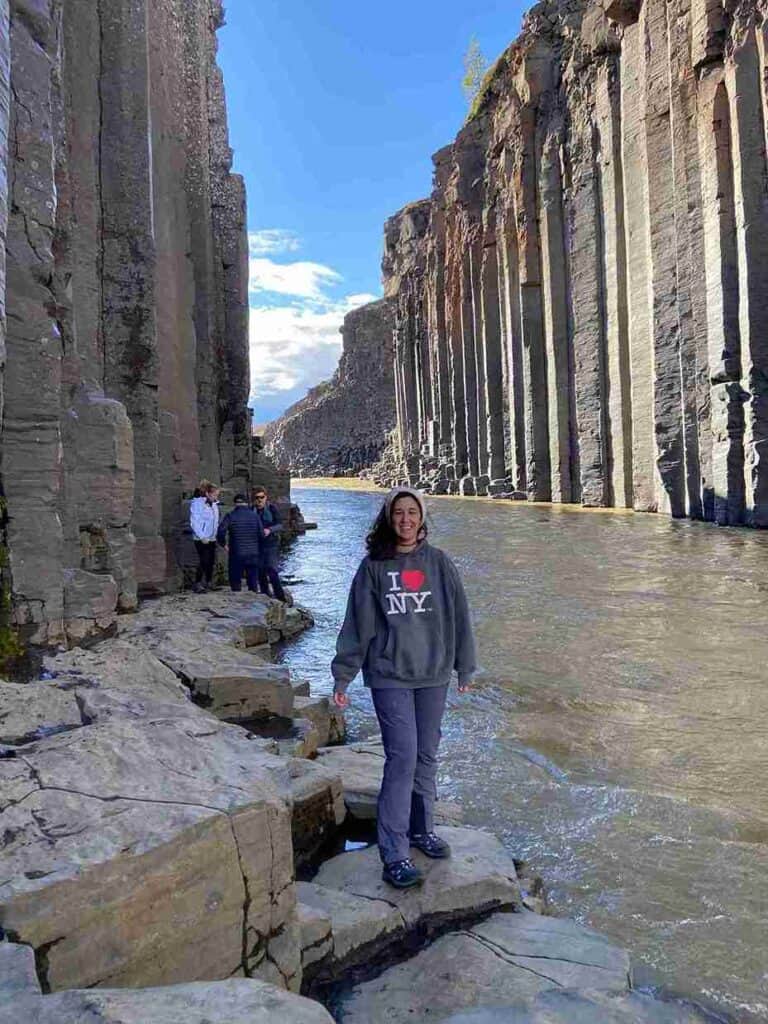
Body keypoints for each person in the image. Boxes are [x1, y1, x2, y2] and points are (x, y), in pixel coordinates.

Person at [331, 486, 476, 890]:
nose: (406, 520)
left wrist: (465, 666)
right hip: (389, 675)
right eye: (399, 513)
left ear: (422, 518)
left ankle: (421, 830)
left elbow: (459, 616)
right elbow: (357, 625)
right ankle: (393, 853)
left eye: (413, 512)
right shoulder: (373, 567)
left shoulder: (439, 563)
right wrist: (343, 674)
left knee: (426, 755)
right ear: (389, 518)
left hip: (433, 675)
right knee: (402, 758)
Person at [216, 493, 264, 592]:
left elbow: (221, 532)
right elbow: (261, 534)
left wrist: (224, 544)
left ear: (235, 503)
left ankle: (237, 596)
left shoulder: (231, 515)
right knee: (253, 581)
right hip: (253, 553)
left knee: (235, 580)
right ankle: (253, 596)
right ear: (246, 503)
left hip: (236, 553)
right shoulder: (255, 516)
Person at [252, 487, 287, 602]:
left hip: (271, 543)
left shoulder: (272, 509)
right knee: (260, 570)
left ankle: (280, 597)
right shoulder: (251, 510)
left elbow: (280, 525)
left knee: (272, 570)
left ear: (266, 497)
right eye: (257, 498)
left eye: (262, 497)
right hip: (257, 544)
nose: (259, 500)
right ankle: (265, 594)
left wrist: (270, 530)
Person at [189, 480, 220, 592]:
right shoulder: (197, 504)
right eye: (215, 495)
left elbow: (215, 521)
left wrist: (214, 535)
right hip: (201, 538)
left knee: (211, 560)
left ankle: (208, 581)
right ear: (207, 493)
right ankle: (197, 583)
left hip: (211, 537)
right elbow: (194, 521)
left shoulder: (214, 505)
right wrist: (201, 536)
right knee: (204, 560)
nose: (216, 497)